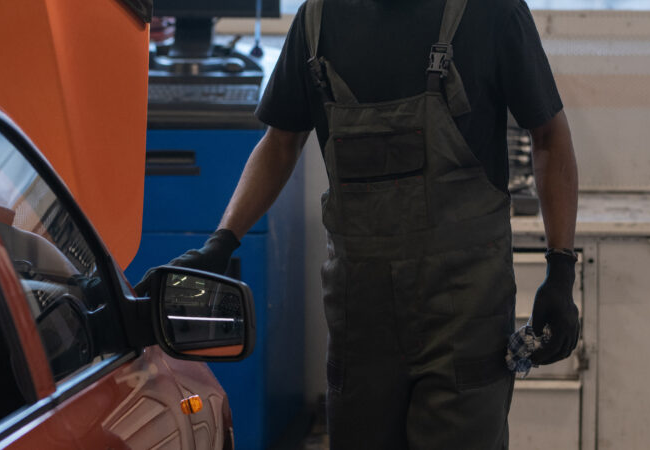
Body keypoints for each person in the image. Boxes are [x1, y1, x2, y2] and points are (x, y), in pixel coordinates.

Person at [137, 0, 580, 448]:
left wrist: (561, 268)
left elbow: (549, 135)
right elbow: (280, 142)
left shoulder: (493, 12)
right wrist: (222, 241)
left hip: (464, 315)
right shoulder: (317, 20)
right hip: (362, 319)